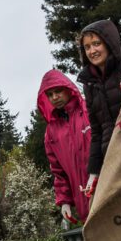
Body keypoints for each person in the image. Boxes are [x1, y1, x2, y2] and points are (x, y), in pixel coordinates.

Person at [77, 20, 121, 199]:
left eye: (97, 44)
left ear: (109, 43)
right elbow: (97, 132)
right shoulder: (89, 84)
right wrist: (94, 173)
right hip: (113, 157)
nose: (92, 51)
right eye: (87, 47)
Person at [38, 70, 91, 223]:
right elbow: (58, 171)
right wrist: (64, 201)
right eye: (49, 94)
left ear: (68, 88)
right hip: (83, 200)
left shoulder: (88, 110)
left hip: (108, 185)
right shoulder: (51, 132)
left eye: (58, 91)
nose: (54, 97)